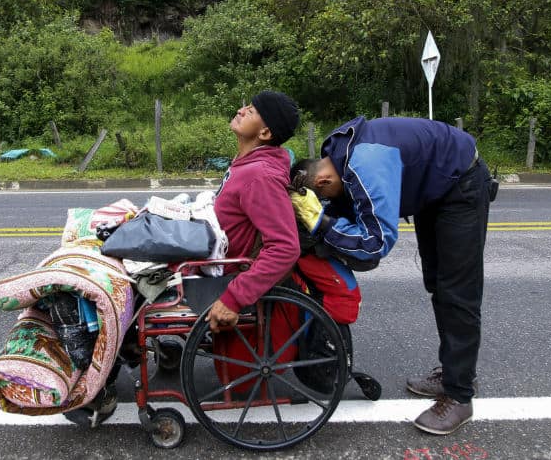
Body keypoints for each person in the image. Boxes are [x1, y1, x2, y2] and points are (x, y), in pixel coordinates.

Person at [289, 116, 495, 435]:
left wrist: (322, 224)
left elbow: (376, 243)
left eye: (325, 197)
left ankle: (459, 395)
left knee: (457, 292)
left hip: (460, 185)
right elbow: (351, 210)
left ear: (322, 183)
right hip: (435, 186)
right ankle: (456, 371)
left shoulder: (363, 165)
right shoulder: (338, 153)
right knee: (437, 283)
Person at [206, 91, 302, 333]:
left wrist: (234, 298)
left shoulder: (259, 176)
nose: (240, 111)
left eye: (250, 111)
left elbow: (285, 247)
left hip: (220, 269)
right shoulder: (245, 163)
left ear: (265, 133)